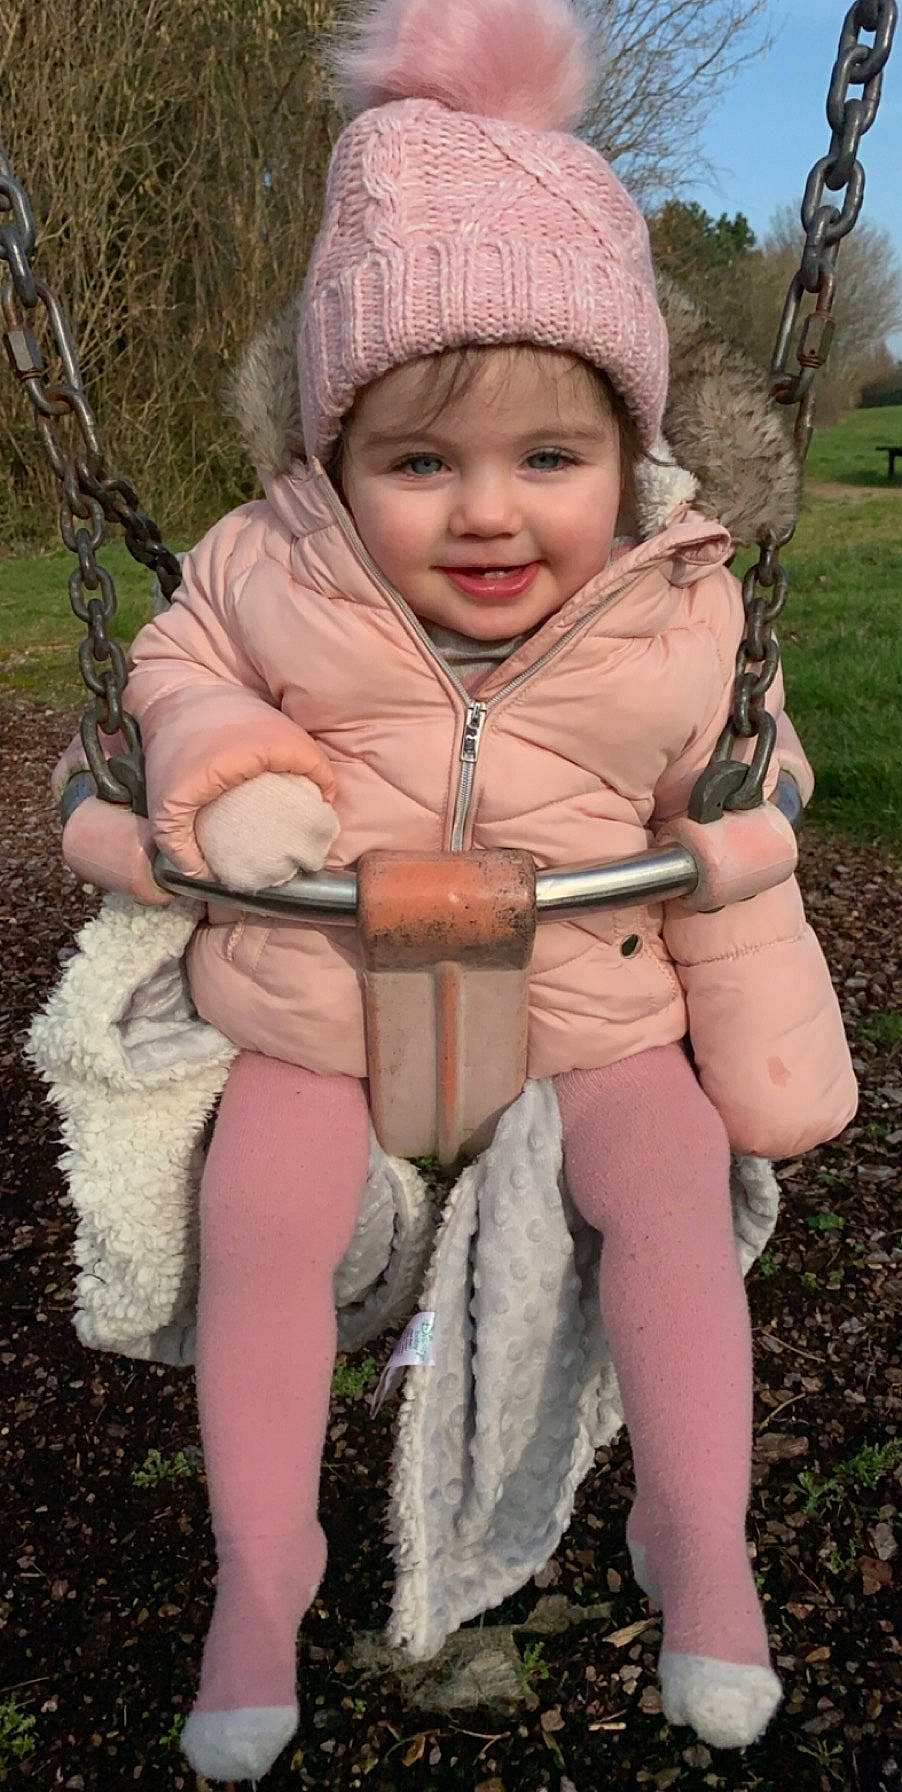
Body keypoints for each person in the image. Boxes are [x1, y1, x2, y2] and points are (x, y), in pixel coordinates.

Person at [53, 0, 857, 1779]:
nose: (487, 515)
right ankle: (262, 1572)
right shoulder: (266, 565)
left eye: (547, 460)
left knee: (666, 1191)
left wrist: (751, 810)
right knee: (256, 1220)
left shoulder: (679, 596)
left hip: (592, 1004)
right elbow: (171, 683)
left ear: (625, 454)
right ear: (336, 456)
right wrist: (227, 775)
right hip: (318, 1007)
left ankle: (696, 1545)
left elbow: (755, 755)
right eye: (420, 462)